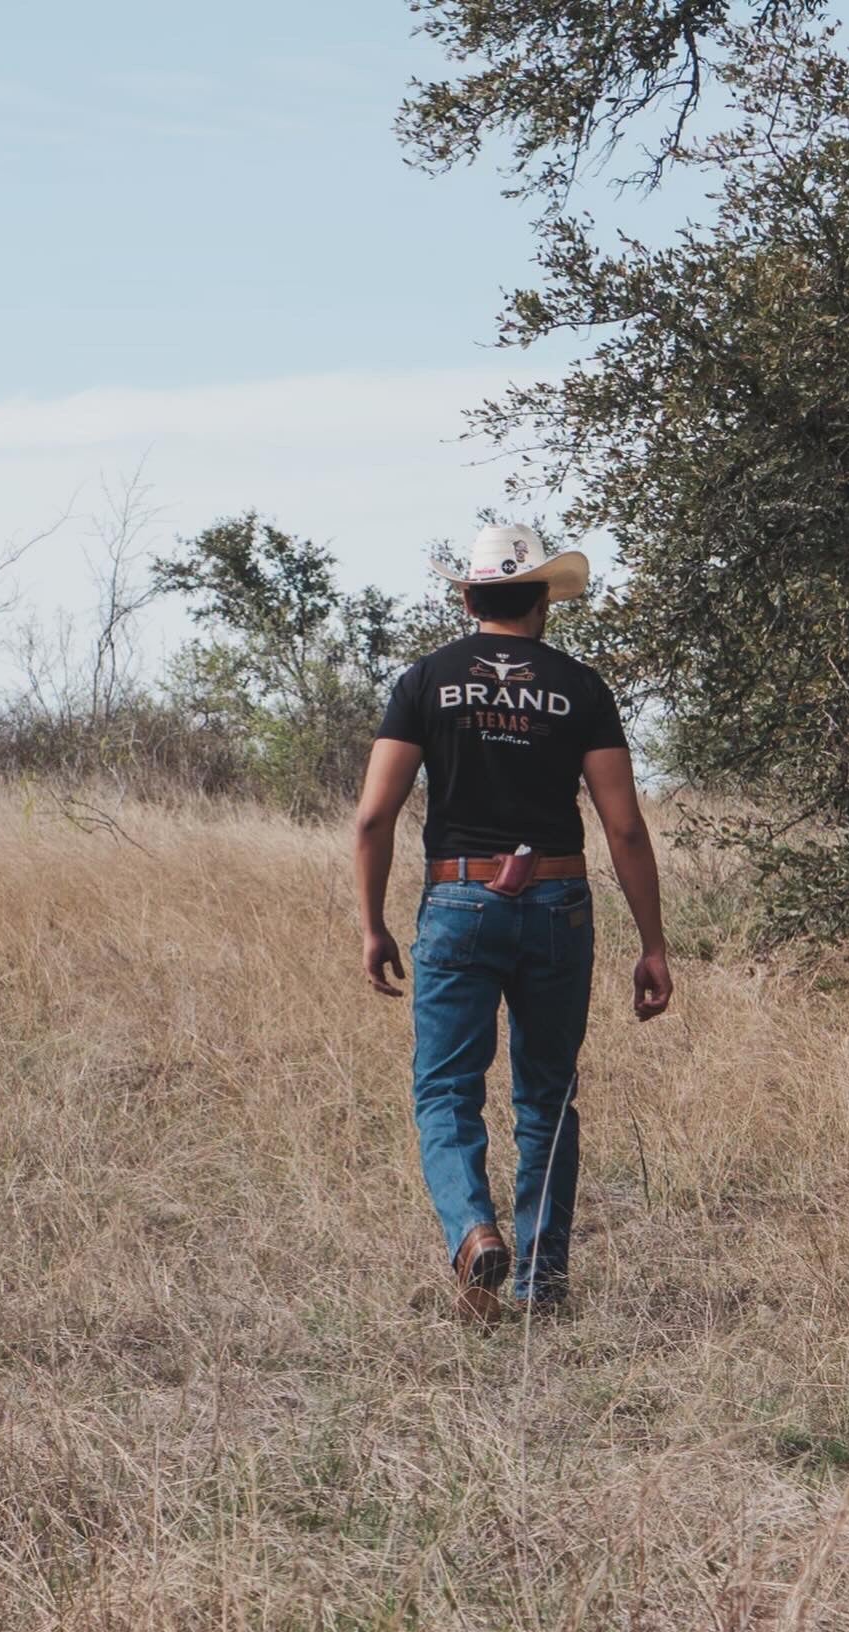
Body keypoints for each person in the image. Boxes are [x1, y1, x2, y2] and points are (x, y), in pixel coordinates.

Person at [353, 525, 672, 1327]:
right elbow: (625, 827)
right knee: (548, 1098)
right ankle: (539, 1285)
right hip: (559, 904)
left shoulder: (426, 680)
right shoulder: (580, 687)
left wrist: (371, 922)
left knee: (446, 1089)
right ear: (542, 602)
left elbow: (372, 817)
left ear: (468, 598)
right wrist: (653, 942)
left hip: (457, 901)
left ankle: (472, 1231)